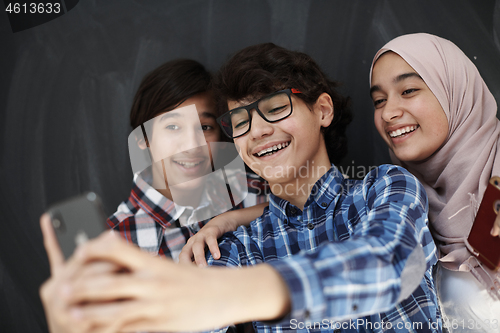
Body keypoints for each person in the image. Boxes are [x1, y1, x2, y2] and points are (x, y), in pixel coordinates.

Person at [40, 44, 441, 332]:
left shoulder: (385, 187)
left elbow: (387, 262)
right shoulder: (240, 244)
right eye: (241, 121)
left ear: (321, 110)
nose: (259, 131)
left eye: (274, 108)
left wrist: (230, 292)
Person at [39, 58, 268, 333]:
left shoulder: (248, 192)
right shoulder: (115, 242)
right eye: (172, 127)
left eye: (205, 127)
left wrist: (233, 219)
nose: (192, 144)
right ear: (144, 141)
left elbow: (303, 212)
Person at [369, 33, 500, 331]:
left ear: (454, 89)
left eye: (409, 90)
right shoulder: (399, 199)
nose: (388, 113)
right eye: (379, 100)